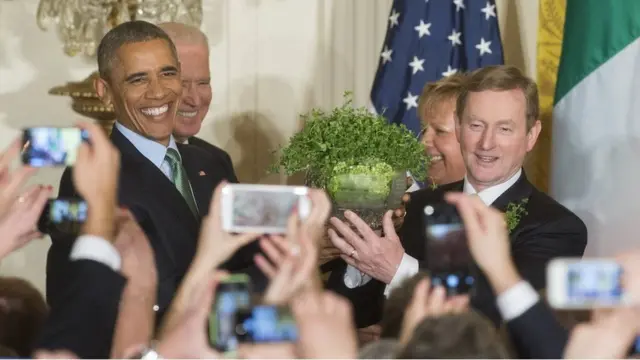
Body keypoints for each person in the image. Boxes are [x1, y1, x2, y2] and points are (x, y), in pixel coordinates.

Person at [45, 20, 259, 355]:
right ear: (104, 90)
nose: (159, 91)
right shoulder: (91, 177)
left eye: (168, 73)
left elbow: (244, 264)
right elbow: (81, 299)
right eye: (138, 79)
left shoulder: (211, 162)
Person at [326, 65, 587, 328]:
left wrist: (400, 269)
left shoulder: (558, 228)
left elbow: (510, 315)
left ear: (531, 136)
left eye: (504, 129)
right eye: (476, 125)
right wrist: (362, 260)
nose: (486, 143)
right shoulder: (414, 207)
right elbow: (351, 317)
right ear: (460, 128)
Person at [158, 22, 237, 183]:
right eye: (182, 84)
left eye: (203, 83)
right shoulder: (110, 164)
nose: (194, 100)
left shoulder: (217, 162)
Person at [410, 74, 467, 191]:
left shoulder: (506, 207)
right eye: (424, 130)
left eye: (440, 131)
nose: (423, 142)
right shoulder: (413, 206)